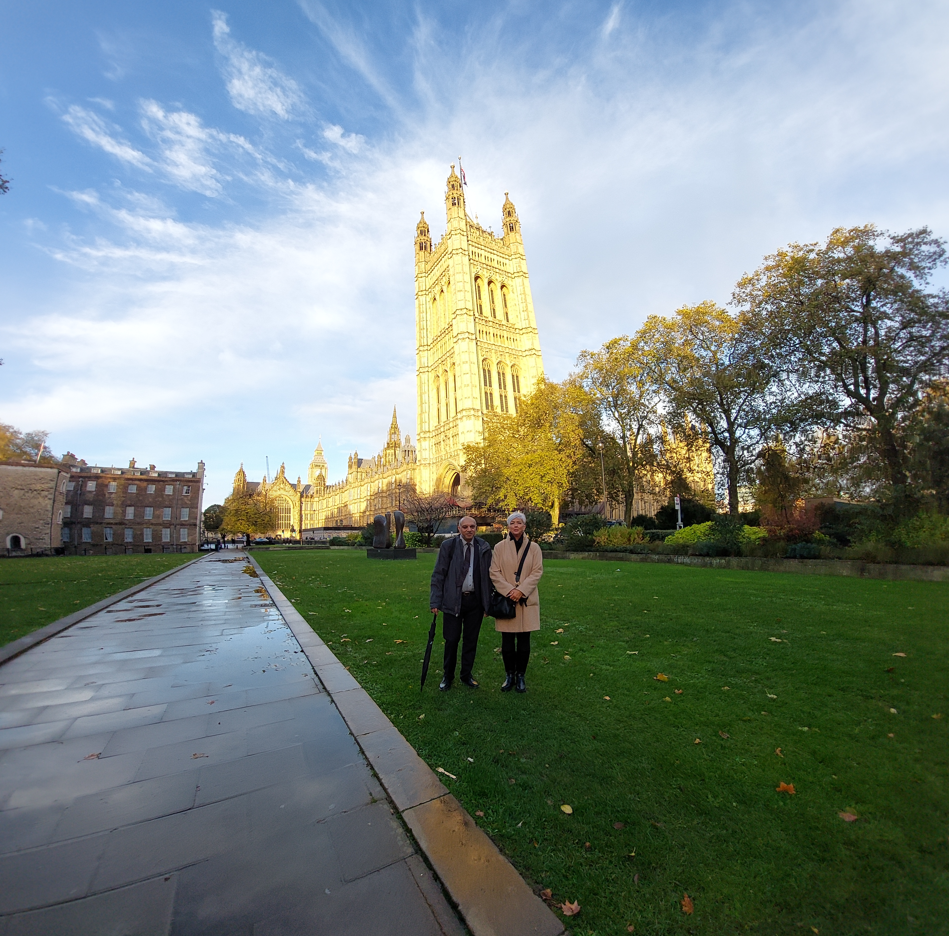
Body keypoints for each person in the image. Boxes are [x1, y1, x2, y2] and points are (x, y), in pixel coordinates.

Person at [429, 516, 493, 690]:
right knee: (451, 640)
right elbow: (438, 574)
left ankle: (466, 675)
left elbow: (488, 578)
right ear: (459, 528)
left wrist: (487, 604)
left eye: (472, 526)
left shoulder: (483, 547)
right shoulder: (448, 546)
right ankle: (447, 676)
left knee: (470, 641)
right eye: (465, 527)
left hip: (475, 602)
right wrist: (435, 600)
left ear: (476, 528)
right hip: (453, 600)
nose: (469, 529)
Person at [489, 511, 544, 693]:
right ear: (508, 526)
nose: (516, 526)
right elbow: (494, 572)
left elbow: (537, 571)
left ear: (524, 526)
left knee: (523, 642)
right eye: (513, 523)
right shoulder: (499, 547)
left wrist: (521, 591)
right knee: (507, 642)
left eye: (519, 523)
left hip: (526, 601)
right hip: (507, 601)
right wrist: (509, 591)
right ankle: (509, 675)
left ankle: (521, 675)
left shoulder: (534, 548)